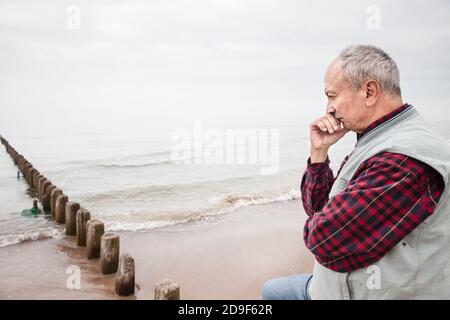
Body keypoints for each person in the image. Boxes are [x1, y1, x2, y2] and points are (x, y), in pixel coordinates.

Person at [262, 44, 450, 300]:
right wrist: (319, 153)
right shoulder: (380, 138)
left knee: (274, 293)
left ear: (369, 91)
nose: (328, 108)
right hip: (331, 289)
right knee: (272, 290)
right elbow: (319, 209)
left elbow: (324, 240)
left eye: (331, 95)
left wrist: (321, 221)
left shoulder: (402, 159)